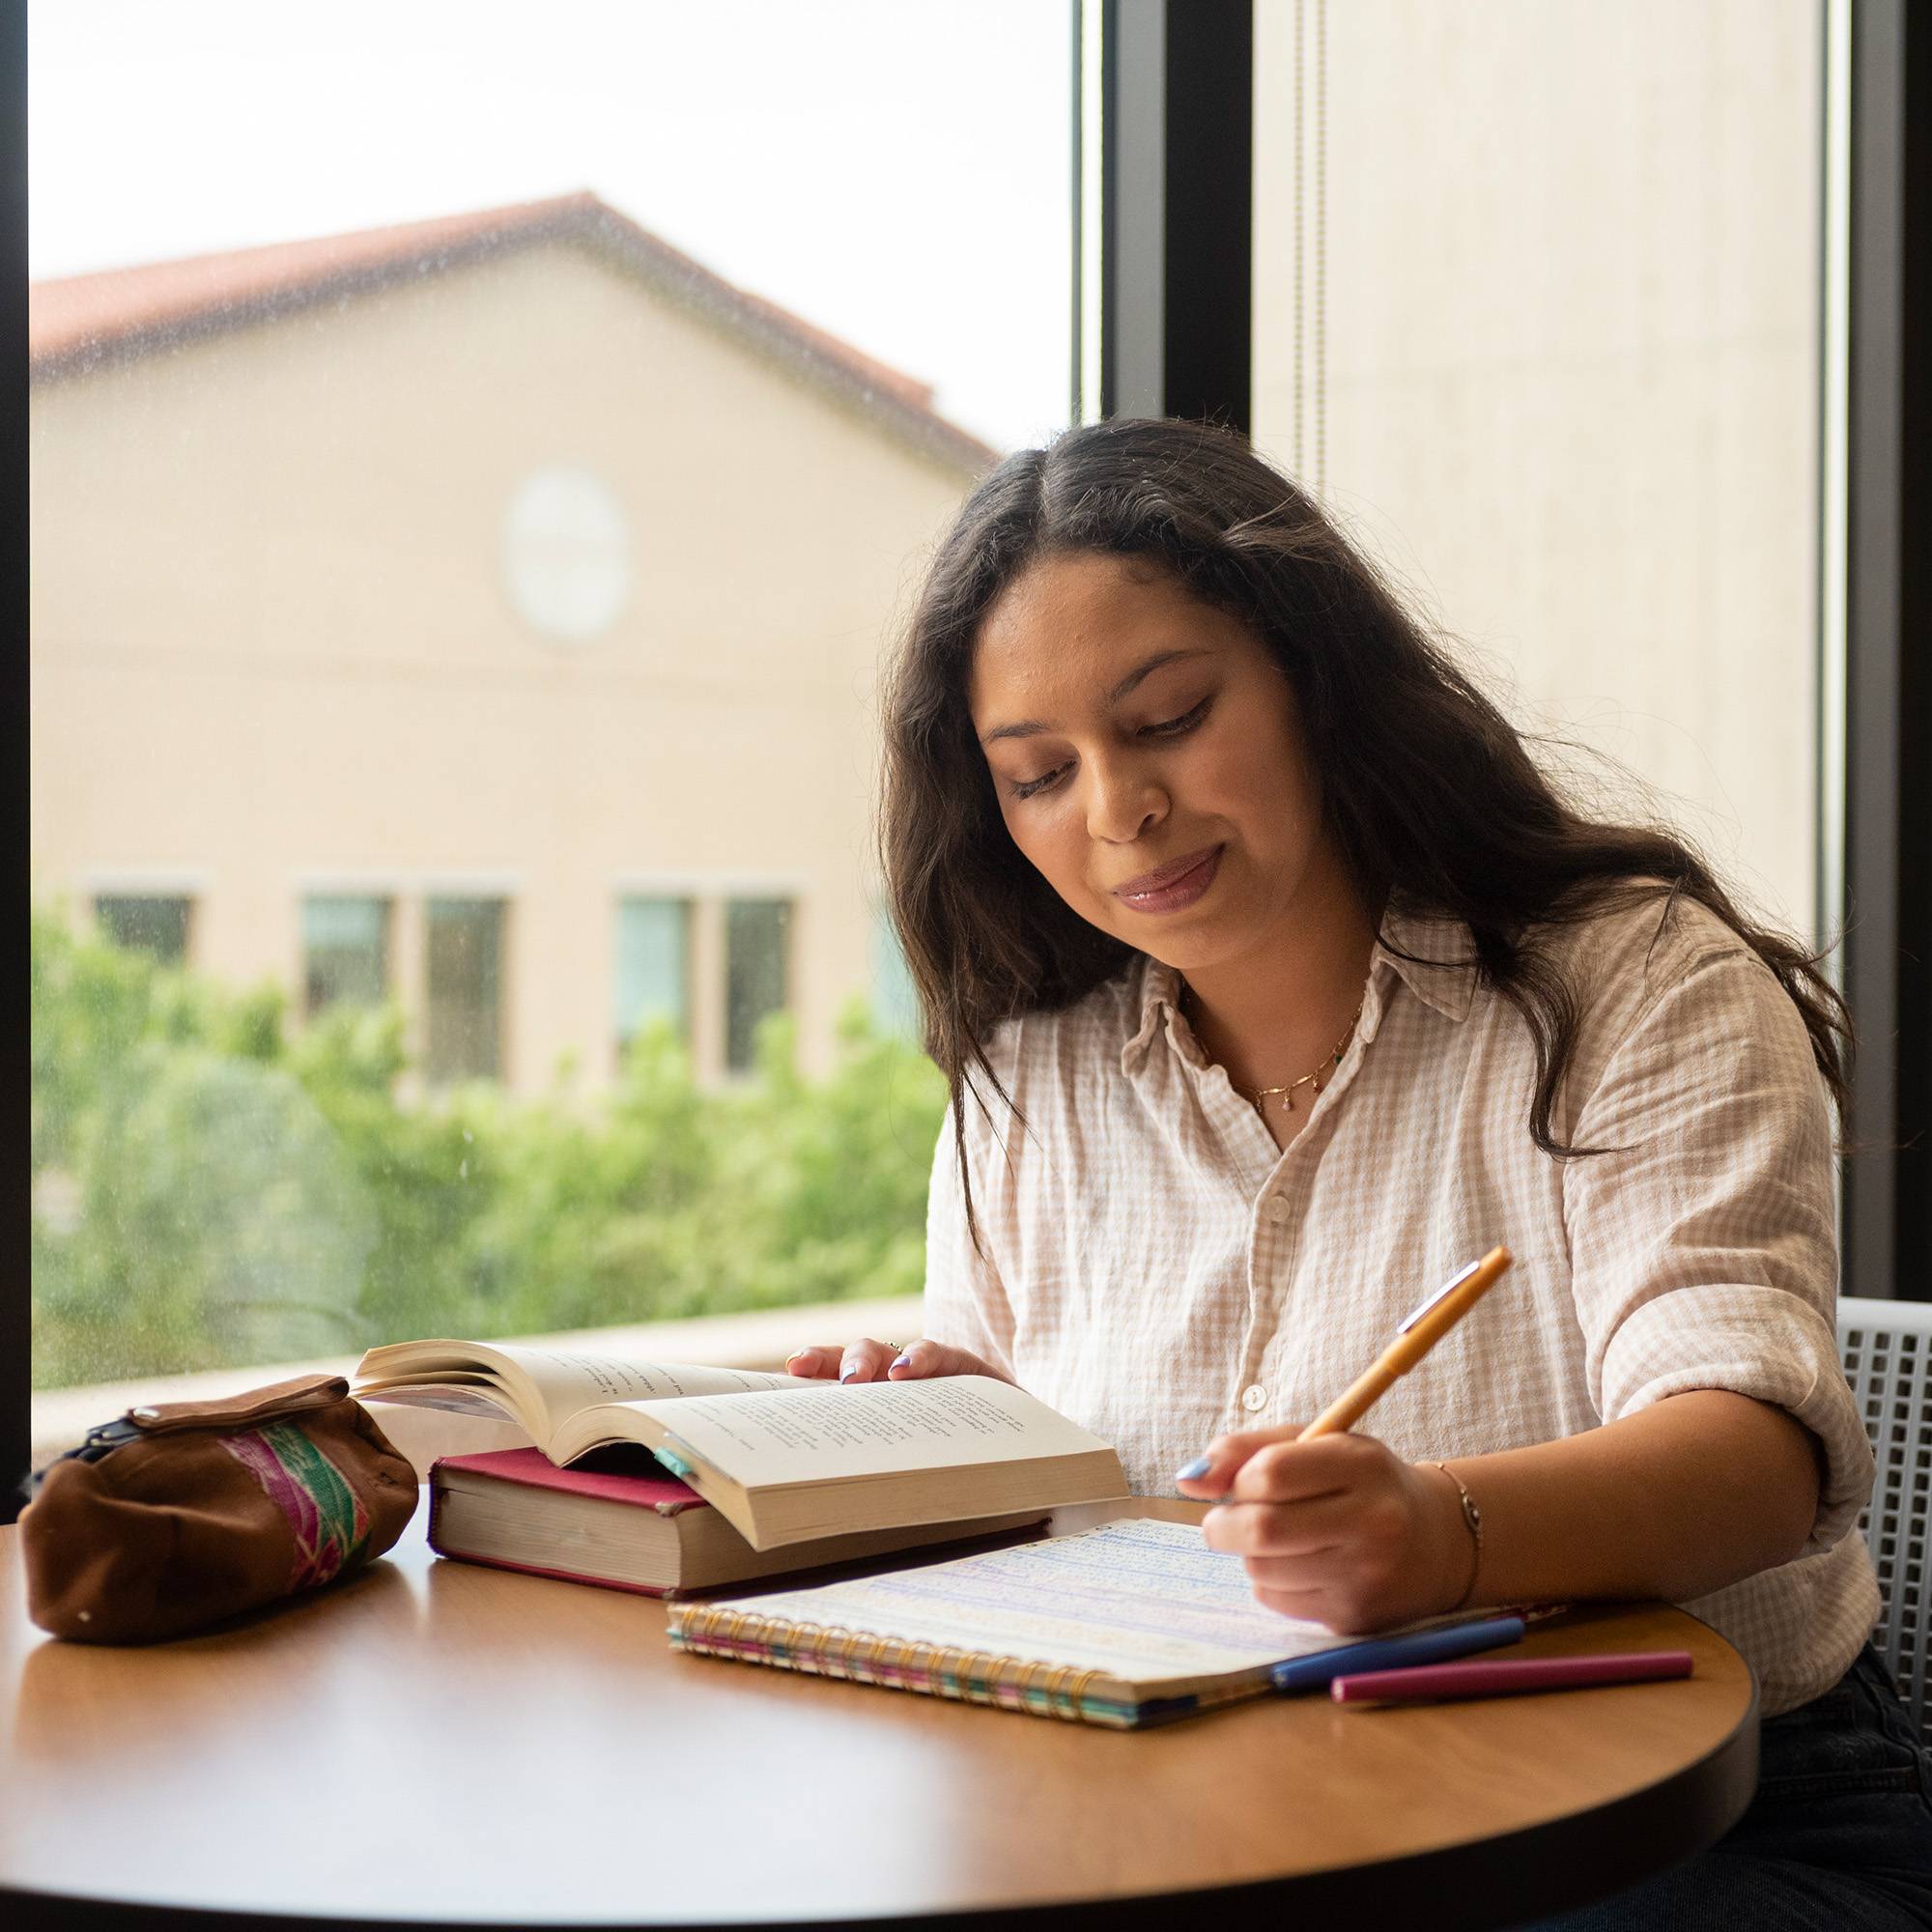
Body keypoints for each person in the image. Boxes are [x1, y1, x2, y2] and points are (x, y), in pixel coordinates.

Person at [786, 417, 1931, 1926]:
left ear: (1315, 681)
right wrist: (939, 1431)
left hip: (1692, 1812)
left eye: (1171, 718)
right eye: (1039, 772)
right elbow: (1036, 1487)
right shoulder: (1034, 1072)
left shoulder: (1632, 983)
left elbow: (1756, 1454)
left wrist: (1440, 1531)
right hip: (1225, 1802)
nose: (1117, 811)